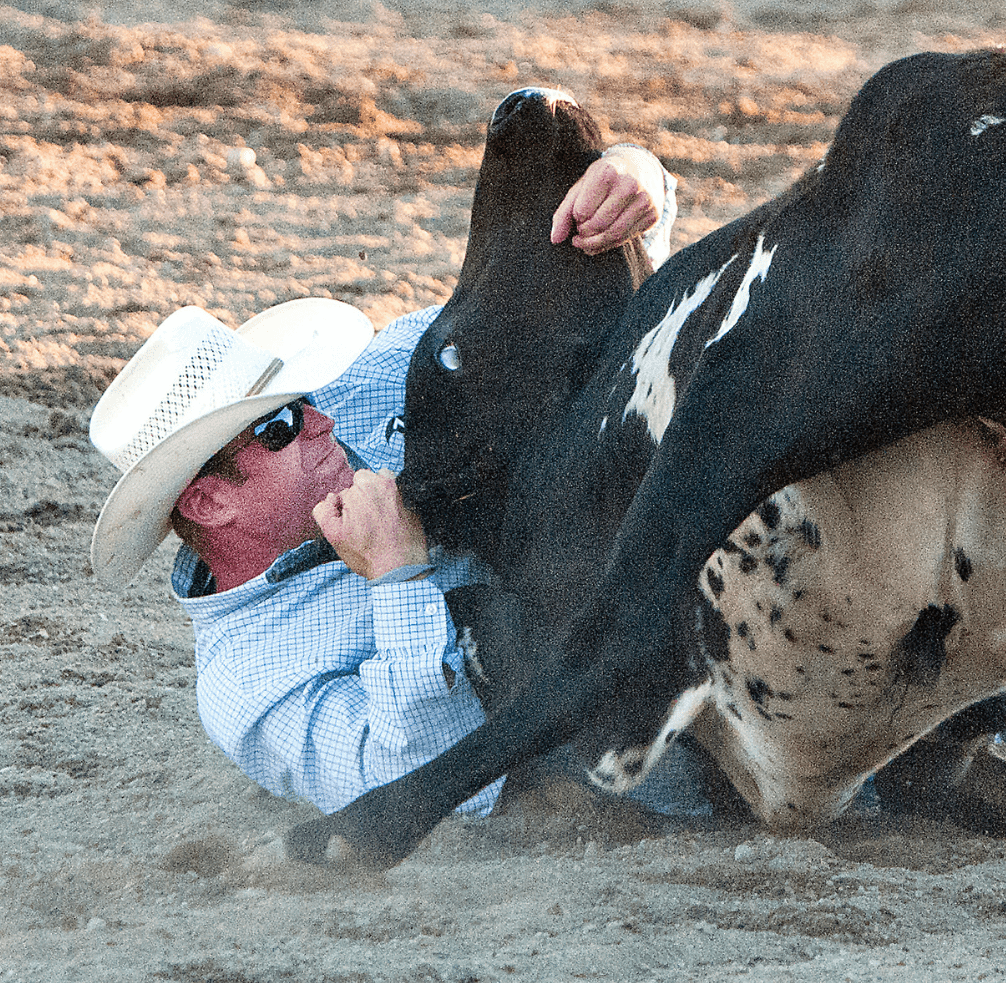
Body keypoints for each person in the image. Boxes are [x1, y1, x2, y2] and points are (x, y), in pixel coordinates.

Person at [89, 144, 697, 827]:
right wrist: (398, 582)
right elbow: (426, 788)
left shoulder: (362, 381)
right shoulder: (253, 685)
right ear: (208, 502)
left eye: (300, 395)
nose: (321, 420)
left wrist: (634, 180)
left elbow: (558, 307)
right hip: (657, 732)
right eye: (281, 424)